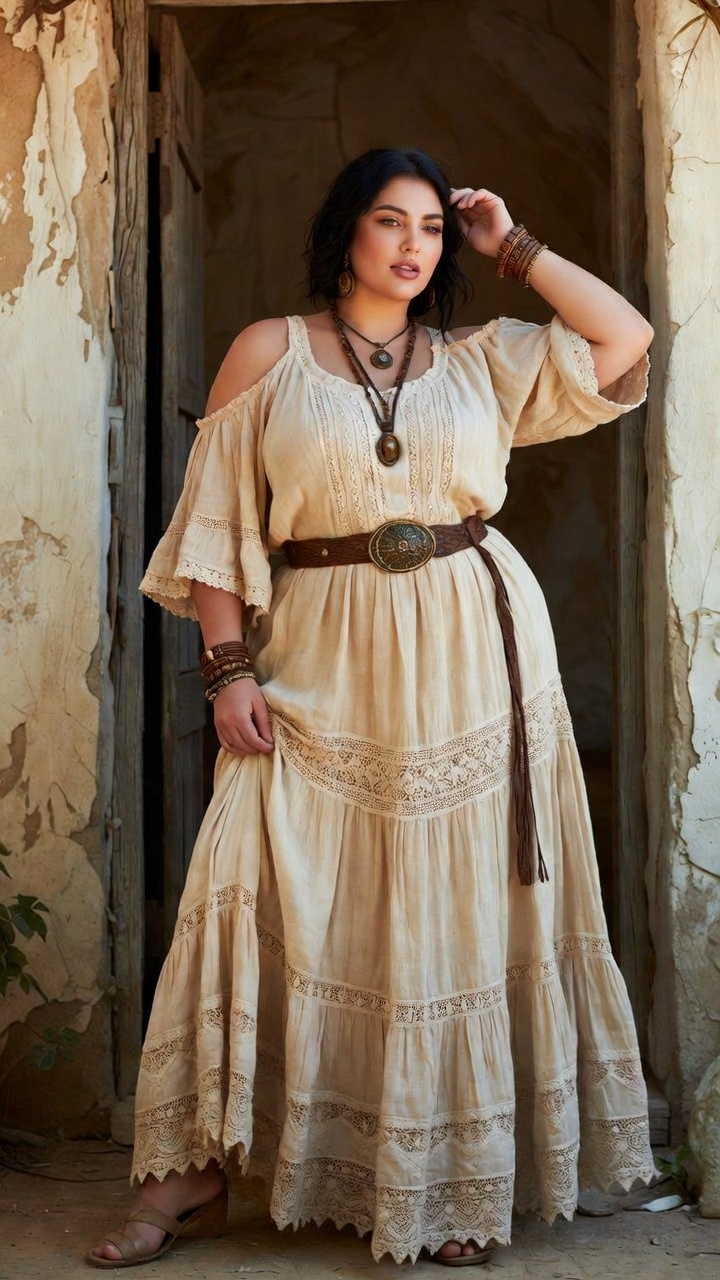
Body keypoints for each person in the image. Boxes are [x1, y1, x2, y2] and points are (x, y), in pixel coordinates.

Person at [89, 148, 655, 1270]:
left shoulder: (479, 358)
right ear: (345, 230)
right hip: (318, 645)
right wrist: (226, 669)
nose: (413, 245)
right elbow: (216, 523)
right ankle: (190, 1170)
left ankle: (444, 1180)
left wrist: (514, 246)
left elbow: (624, 337)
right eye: (391, 221)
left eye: (433, 228)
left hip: (474, 649)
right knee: (256, 871)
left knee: (452, 902)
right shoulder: (270, 351)